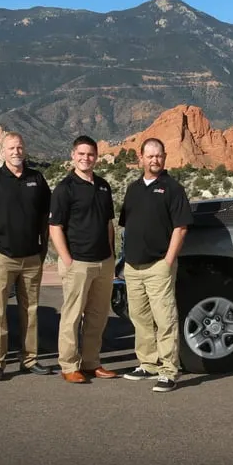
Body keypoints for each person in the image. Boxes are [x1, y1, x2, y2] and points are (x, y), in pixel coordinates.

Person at [0, 132, 54, 381]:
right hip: (3, 257)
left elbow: (45, 217)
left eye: (19, 147)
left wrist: (44, 248)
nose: (16, 152)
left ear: (25, 149)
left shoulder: (37, 179)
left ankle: (29, 360)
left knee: (30, 311)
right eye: (11, 148)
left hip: (32, 257)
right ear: (3, 151)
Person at [118, 138, 194, 392]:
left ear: (165, 156)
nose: (155, 160)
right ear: (140, 158)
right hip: (133, 266)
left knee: (165, 319)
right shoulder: (133, 189)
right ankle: (148, 363)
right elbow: (127, 225)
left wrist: (168, 261)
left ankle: (169, 370)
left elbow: (180, 228)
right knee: (140, 318)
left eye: (159, 155)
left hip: (158, 265)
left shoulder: (173, 188)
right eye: (150, 156)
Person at [48, 135, 117, 384]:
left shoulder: (103, 186)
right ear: (73, 155)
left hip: (103, 261)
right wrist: (67, 259)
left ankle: (91, 362)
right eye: (81, 154)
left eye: (90, 154)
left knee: (97, 316)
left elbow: (108, 223)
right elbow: (54, 226)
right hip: (77, 262)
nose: (86, 158)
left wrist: (111, 253)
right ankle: (68, 365)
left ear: (96, 157)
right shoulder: (65, 188)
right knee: (72, 316)